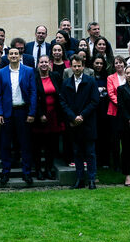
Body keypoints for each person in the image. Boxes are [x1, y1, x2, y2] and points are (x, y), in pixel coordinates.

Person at [0, 46, 37, 186]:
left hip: (23, 111)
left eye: (16, 54)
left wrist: (32, 112)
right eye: (11, 54)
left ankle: (27, 173)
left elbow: (33, 93)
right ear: (7, 57)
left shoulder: (28, 71)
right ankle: (5, 173)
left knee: (25, 143)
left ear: (20, 56)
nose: (13, 56)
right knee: (5, 144)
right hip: (7, 112)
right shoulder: (1, 72)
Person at [59, 54, 100, 189]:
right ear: (71, 67)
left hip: (87, 122)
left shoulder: (91, 81)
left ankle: (92, 179)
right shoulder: (66, 83)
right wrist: (73, 117)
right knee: (77, 152)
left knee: (90, 152)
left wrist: (82, 116)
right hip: (74, 123)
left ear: (83, 66)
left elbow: (95, 101)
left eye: (79, 66)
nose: (77, 68)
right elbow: (63, 102)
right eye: (74, 66)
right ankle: (80, 179)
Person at [29, 55, 63, 181]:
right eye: (41, 62)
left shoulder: (55, 76)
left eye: (46, 62)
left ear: (50, 63)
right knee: (37, 146)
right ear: (38, 64)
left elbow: (60, 95)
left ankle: (48, 169)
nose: (44, 64)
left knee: (51, 145)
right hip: (39, 117)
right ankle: (38, 170)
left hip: (53, 116)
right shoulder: (34, 78)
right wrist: (40, 114)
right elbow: (33, 98)